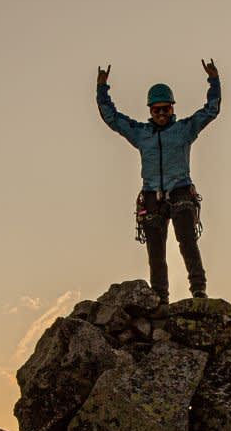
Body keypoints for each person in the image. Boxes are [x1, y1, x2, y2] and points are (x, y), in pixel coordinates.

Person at [95, 59, 221, 302]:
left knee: (187, 242)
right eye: (157, 110)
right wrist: (102, 89)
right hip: (152, 196)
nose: (162, 113)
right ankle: (161, 297)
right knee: (156, 252)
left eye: (166, 109)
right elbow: (113, 119)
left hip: (180, 191)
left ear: (173, 109)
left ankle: (198, 290)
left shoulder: (184, 129)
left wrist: (213, 80)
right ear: (150, 111)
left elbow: (211, 110)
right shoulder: (141, 134)